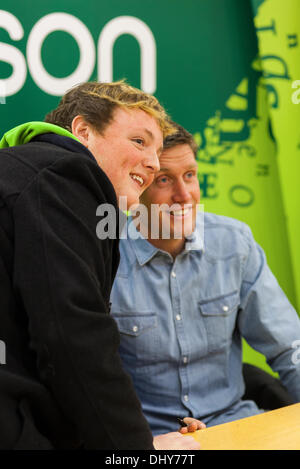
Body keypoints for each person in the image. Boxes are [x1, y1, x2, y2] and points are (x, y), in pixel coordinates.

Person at [0, 82, 201, 450]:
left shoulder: (26, 176)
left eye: (157, 152)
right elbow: (73, 336)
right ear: (83, 131)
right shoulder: (64, 173)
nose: (154, 164)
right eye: (139, 141)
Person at [110, 121, 300, 436]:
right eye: (164, 180)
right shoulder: (106, 258)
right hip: (151, 438)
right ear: (137, 188)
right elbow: (88, 378)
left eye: (190, 176)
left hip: (237, 423)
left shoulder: (234, 243)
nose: (184, 195)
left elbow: (289, 348)